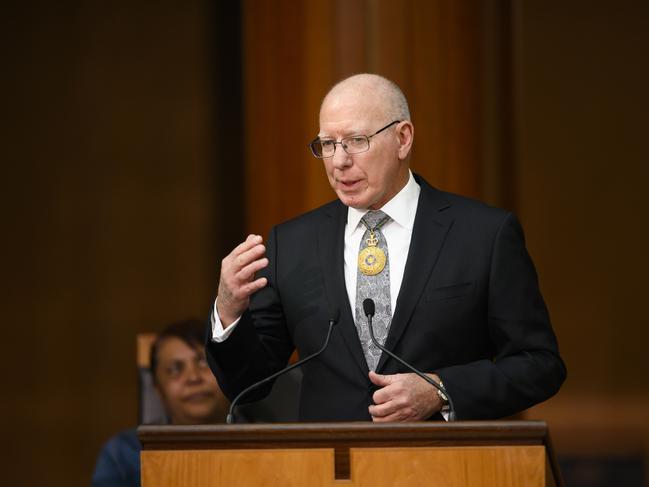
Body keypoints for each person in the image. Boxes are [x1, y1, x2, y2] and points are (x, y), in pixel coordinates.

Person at [206, 73, 566, 422]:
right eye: (328, 144)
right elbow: (247, 386)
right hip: (328, 470)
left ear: (403, 138)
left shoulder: (482, 234)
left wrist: (440, 390)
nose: (339, 161)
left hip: (445, 466)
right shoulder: (292, 243)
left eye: (356, 140)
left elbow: (539, 364)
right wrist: (229, 311)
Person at [92, 319, 229, 487]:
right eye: (175, 369)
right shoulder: (123, 454)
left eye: (203, 362)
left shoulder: (261, 444)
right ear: (158, 389)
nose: (193, 378)